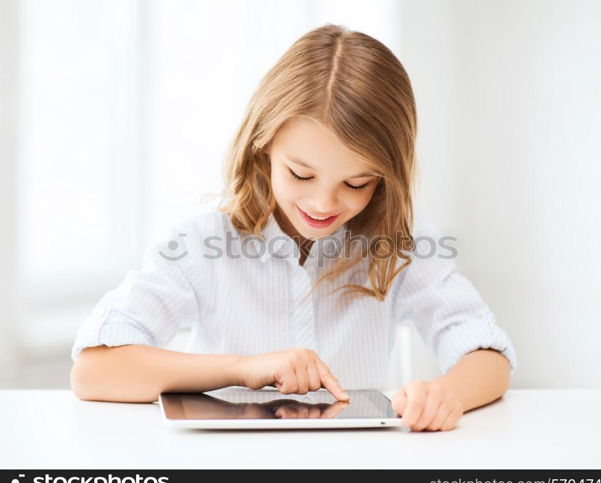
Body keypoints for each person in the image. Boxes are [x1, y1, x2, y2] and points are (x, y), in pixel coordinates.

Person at [70, 24, 517, 432]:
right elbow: (94, 370)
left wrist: (447, 394)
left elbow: (487, 354)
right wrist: (243, 369)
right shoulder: (204, 241)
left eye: (356, 183)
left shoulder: (401, 242)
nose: (323, 204)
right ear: (262, 148)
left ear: (385, 179)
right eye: (301, 175)